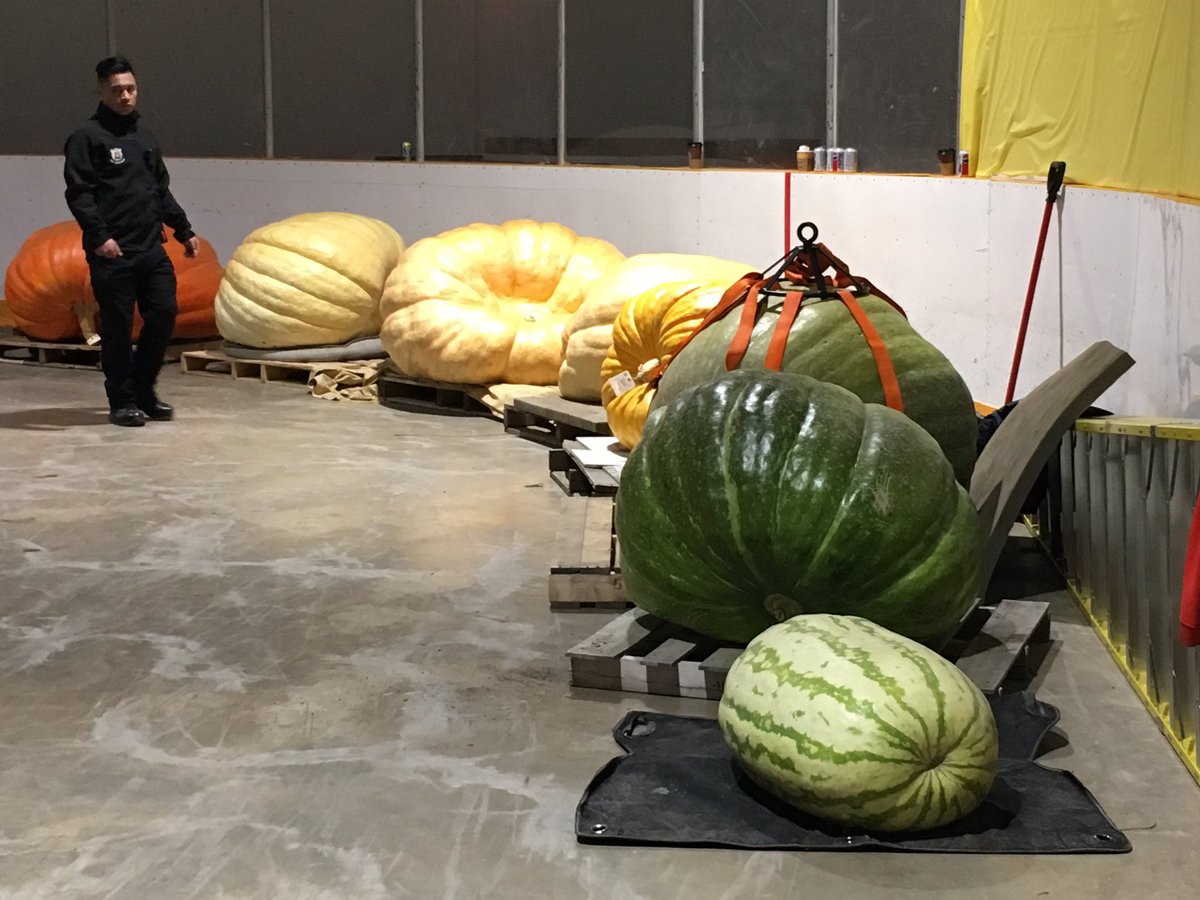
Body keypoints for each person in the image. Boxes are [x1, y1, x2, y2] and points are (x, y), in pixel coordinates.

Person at [64, 56, 200, 427]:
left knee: (164, 315)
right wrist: (99, 236)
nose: (125, 96)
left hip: (150, 247)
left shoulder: (144, 136)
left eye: (131, 89)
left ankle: (144, 390)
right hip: (113, 252)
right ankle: (121, 400)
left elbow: (160, 189)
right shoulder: (86, 138)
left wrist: (183, 229)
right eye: (117, 90)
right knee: (118, 327)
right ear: (101, 92)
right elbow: (80, 193)